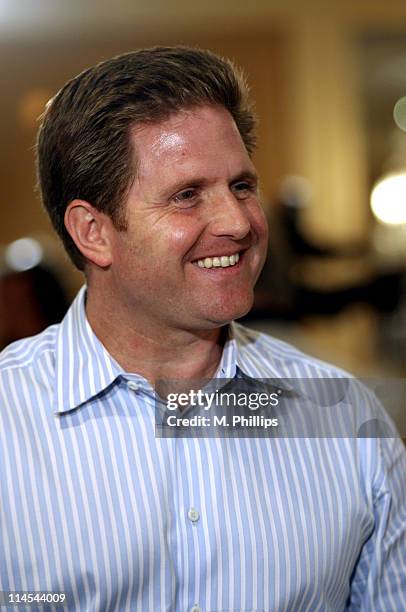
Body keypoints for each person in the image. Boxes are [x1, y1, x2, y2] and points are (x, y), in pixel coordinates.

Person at [0, 46, 405, 612]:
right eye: (187, 195)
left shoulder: (349, 423)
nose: (239, 222)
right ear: (92, 231)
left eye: (241, 186)